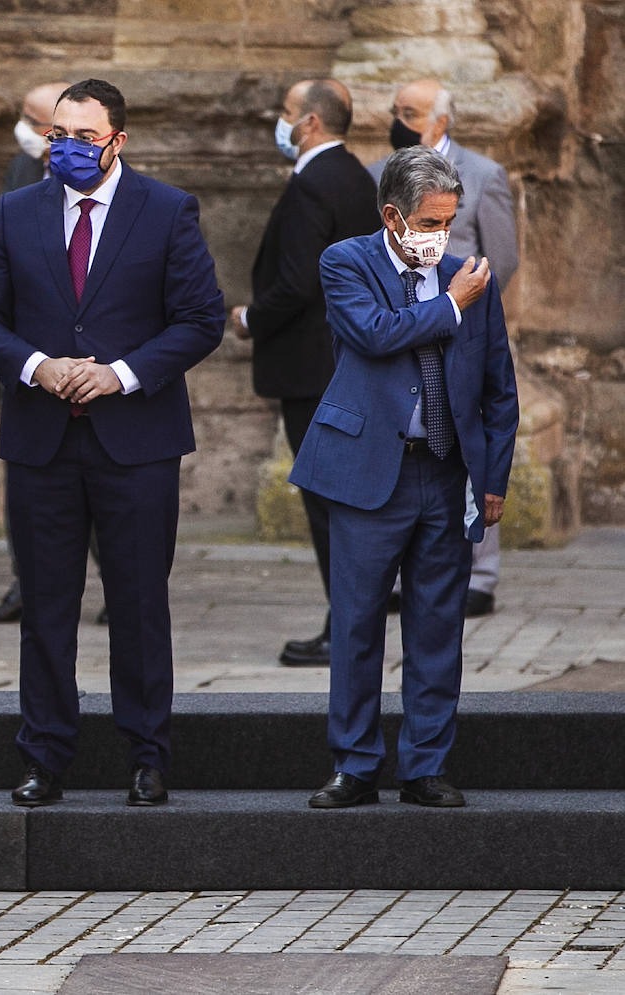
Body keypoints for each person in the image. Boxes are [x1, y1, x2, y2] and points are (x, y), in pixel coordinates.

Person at [0, 79, 225, 809]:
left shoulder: (167, 210)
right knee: (46, 608)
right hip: (43, 442)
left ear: (118, 140)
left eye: (84, 137)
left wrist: (121, 374)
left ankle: (147, 753)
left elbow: (201, 319)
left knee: (138, 603)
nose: (69, 148)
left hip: (136, 442)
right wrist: (42, 367)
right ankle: (44, 755)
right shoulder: (17, 211)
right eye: (58, 135)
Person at [292, 146, 518, 810]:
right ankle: (355, 763)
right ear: (393, 216)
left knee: (437, 624)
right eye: (429, 221)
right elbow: (374, 334)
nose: (440, 235)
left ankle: (425, 766)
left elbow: (499, 388)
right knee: (357, 622)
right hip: (368, 475)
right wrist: (449, 305)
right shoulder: (348, 263)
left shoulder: (470, 278)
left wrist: (494, 476)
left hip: (445, 474)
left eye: (448, 221)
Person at [229, 79, 380, 667]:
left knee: (327, 502)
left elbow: (298, 281)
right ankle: (351, 619)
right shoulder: (357, 176)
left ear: (312, 122)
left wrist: (250, 318)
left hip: (312, 368)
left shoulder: (312, 185)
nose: (281, 120)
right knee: (341, 500)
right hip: (343, 361)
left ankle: (347, 629)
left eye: (287, 112)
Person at [370, 78, 519, 618]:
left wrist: (465, 306)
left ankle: (480, 572)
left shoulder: (483, 175)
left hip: (464, 332)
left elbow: (501, 256)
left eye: (410, 112)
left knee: (471, 439)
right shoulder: (378, 177)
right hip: (401, 333)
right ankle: (398, 569)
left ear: (441, 120)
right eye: (396, 111)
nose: (399, 120)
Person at [0, 80, 73, 626]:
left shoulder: (112, 181)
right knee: (25, 471)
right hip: (24, 357)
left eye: (38, 124)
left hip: (87, 364)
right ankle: (26, 582)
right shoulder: (19, 172)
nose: (28, 134)